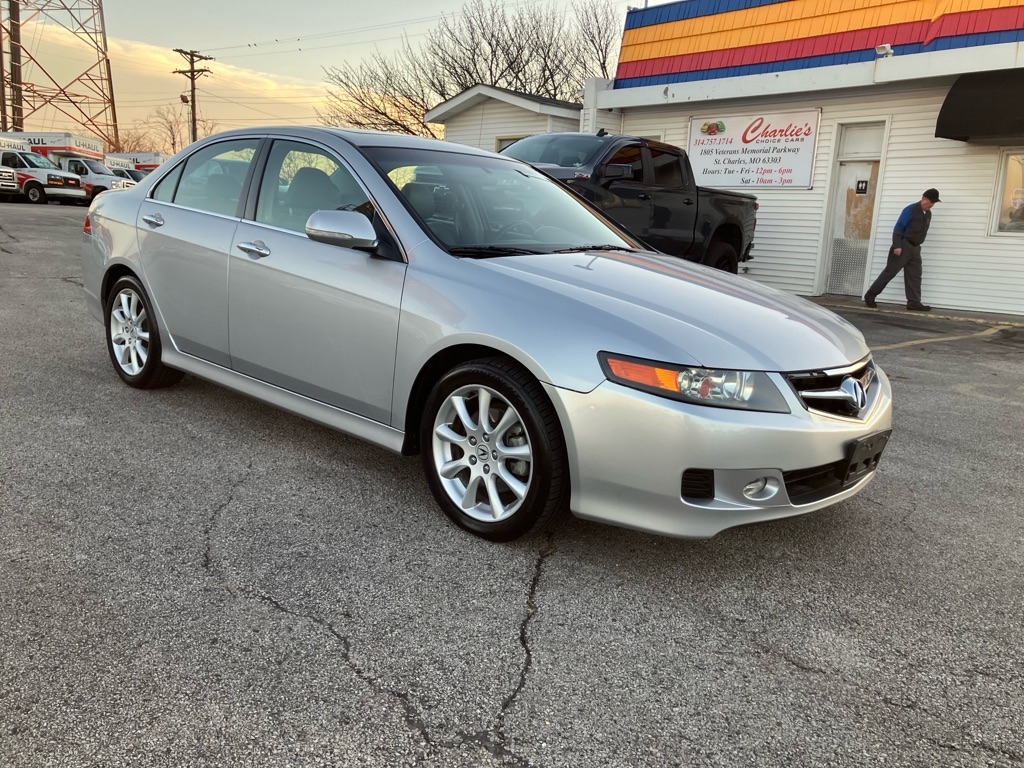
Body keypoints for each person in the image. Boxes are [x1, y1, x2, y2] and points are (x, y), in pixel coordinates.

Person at [864, 188, 940, 311]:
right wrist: (897, 245)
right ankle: (870, 295)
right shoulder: (910, 210)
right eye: (931, 202)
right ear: (923, 199)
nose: (932, 205)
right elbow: (898, 227)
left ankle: (914, 302)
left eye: (934, 203)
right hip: (903, 245)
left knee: (915, 275)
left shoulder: (928, 214)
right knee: (890, 272)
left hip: (915, 248)